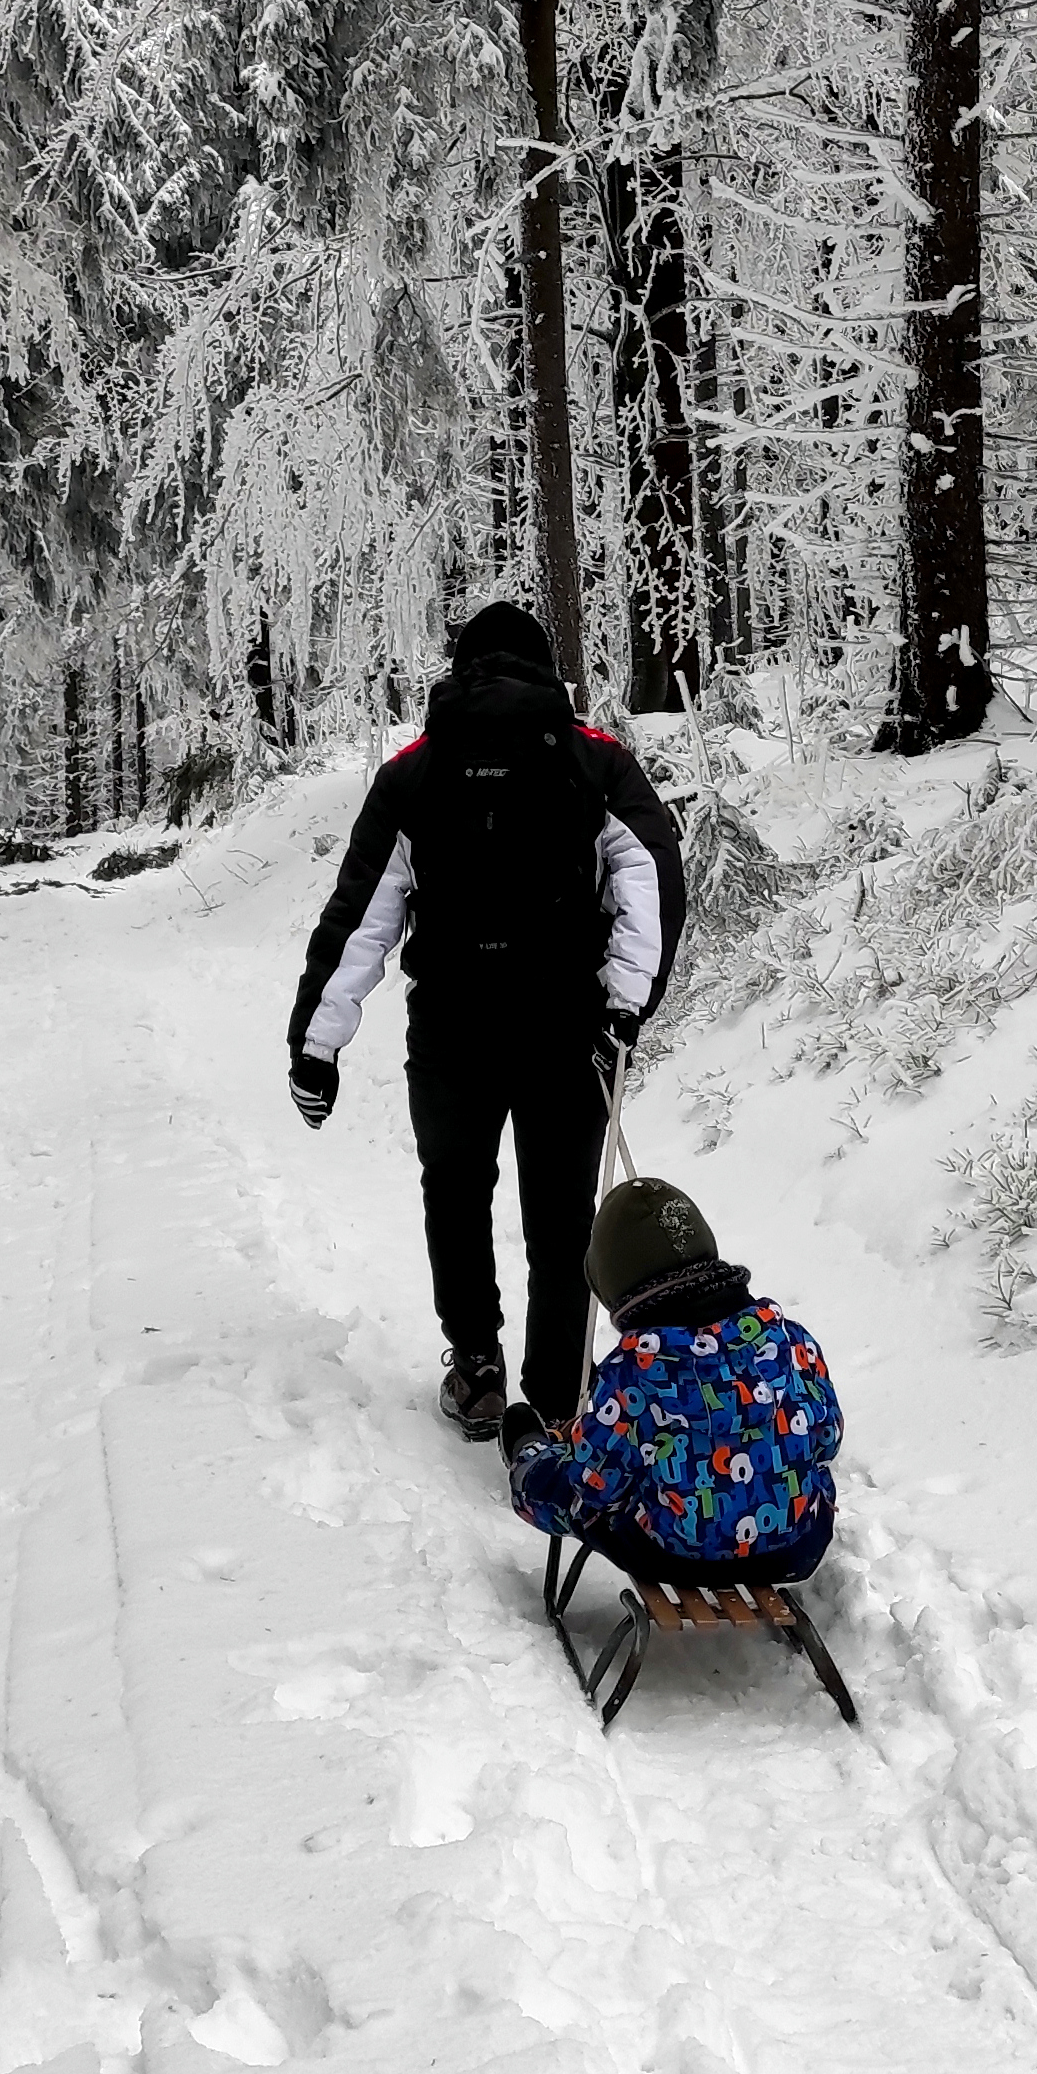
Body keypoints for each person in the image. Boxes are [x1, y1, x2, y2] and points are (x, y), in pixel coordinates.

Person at [288, 601, 685, 1437]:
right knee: (563, 1217)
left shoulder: (415, 774)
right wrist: (624, 1005)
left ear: (462, 670)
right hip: (565, 1028)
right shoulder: (595, 762)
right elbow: (650, 879)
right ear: (547, 669)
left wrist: (315, 1046)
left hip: (452, 1030)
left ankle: (475, 1368)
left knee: (457, 1194)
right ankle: (556, 1397)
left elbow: (361, 918)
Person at [510, 1174, 842, 1582]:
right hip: (798, 1547)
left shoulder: (636, 1375)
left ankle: (530, 1463)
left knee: (567, 1487)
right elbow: (828, 1439)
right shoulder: (792, 1342)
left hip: (673, 1558)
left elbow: (595, 1486)